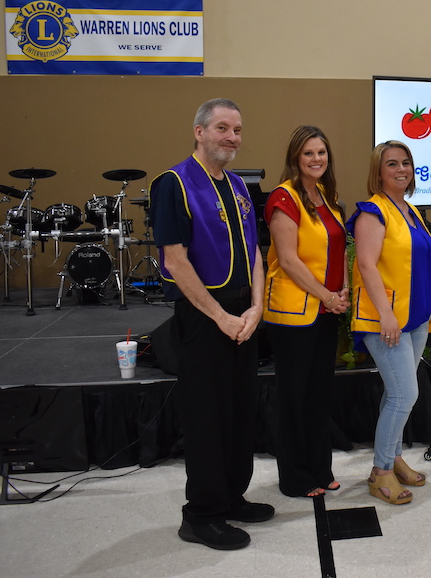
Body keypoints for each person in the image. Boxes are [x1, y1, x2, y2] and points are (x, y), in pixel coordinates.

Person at [149, 98, 272, 551]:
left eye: (237, 130)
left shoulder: (239, 185)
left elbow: (256, 253)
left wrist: (257, 307)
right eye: (223, 128)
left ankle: (231, 497)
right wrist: (220, 316)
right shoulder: (174, 184)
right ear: (199, 131)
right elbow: (175, 260)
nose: (232, 137)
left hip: (244, 315)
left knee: (241, 412)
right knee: (207, 417)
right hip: (206, 318)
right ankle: (200, 514)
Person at [347, 140, 431, 505]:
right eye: (392, 164)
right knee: (405, 394)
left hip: (414, 316)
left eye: (406, 163)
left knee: (396, 394)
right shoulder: (374, 212)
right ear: (379, 171)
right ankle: (380, 472)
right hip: (385, 320)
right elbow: (367, 265)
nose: (401, 169)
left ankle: (393, 457)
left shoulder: (409, 210)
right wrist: (386, 315)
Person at [262, 126, 348, 498]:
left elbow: (340, 246)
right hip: (295, 312)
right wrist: (327, 296)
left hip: (326, 310)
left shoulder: (325, 195)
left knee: (318, 394)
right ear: (295, 157)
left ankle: (319, 467)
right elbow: (289, 260)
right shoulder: (284, 197)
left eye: (322, 153)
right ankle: (294, 476)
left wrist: (341, 290)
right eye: (309, 153)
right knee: (294, 397)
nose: (317, 159)